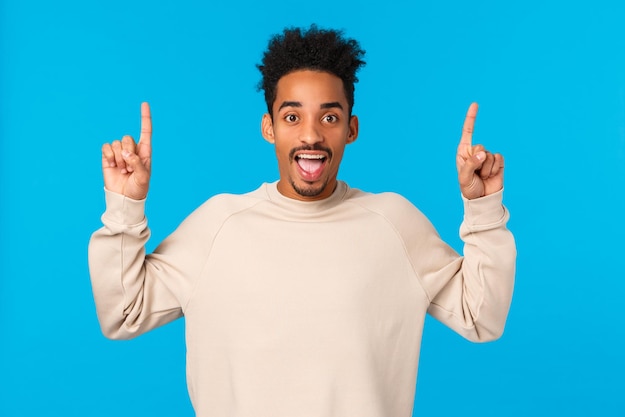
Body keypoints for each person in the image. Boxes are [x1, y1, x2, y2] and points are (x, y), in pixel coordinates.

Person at [89, 25, 515, 417]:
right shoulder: (217, 226)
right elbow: (123, 313)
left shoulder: (394, 224)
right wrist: (125, 209)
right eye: (292, 117)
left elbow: (482, 317)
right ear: (269, 128)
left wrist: (483, 208)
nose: (311, 135)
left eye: (328, 117)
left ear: (351, 128)